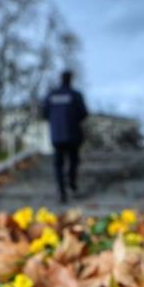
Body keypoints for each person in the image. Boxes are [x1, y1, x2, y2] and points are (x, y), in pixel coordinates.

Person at [43, 70, 88, 202]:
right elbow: (84, 113)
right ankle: (72, 182)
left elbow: (44, 113)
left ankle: (62, 191)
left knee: (58, 164)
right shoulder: (75, 95)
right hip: (73, 134)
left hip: (57, 135)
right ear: (70, 80)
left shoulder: (51, 95)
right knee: (73, 161)